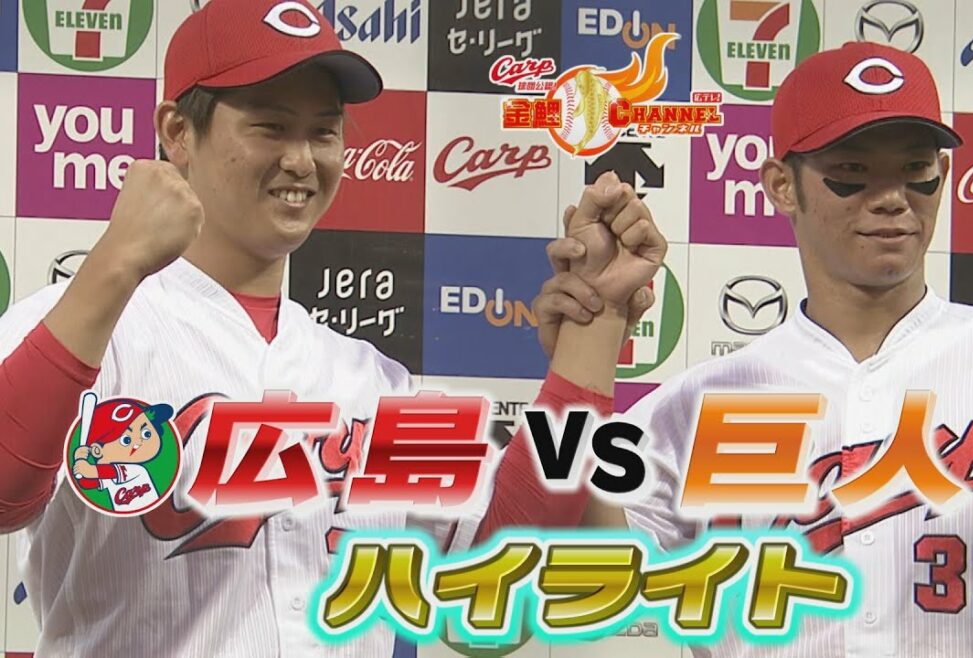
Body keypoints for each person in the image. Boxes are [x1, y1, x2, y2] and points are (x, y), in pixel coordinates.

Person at [0, 0, 661, 655]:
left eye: (323, 131)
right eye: (270, 126)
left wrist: (594, 331)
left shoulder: (371, 381)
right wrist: (115, 264)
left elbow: (494, 599)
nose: (301, 160)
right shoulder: (84, 326)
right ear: (177, 132)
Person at [479, 41, 973, 657]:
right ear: (783, 185)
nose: (892, 198)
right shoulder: (695, 406)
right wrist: (591, 342)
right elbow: (540, 578)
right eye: (851, 172)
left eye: (917, 171)